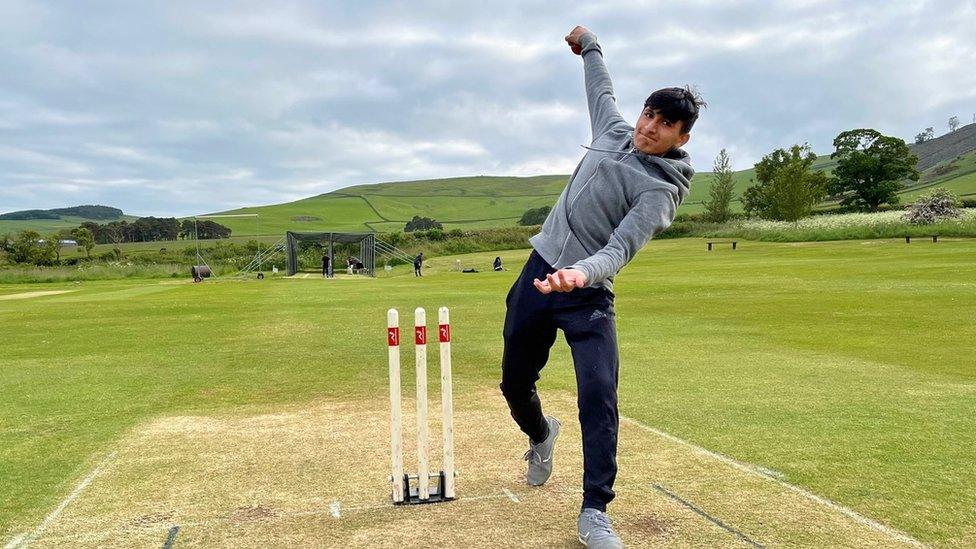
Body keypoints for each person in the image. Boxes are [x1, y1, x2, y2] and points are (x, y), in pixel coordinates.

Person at [499, 26, 703, 548]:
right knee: (514, 382)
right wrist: (590, 46)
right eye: (650, 115)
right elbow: (601, 90)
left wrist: (581, 274)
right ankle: (541, 435)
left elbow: (620, 249)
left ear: (683, 137)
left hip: (587, 293)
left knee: (598, 393)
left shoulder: (661, 191)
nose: (650, 127)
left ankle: (595, 510)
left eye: (666, 124)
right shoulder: (614, 130)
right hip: (538, 269)